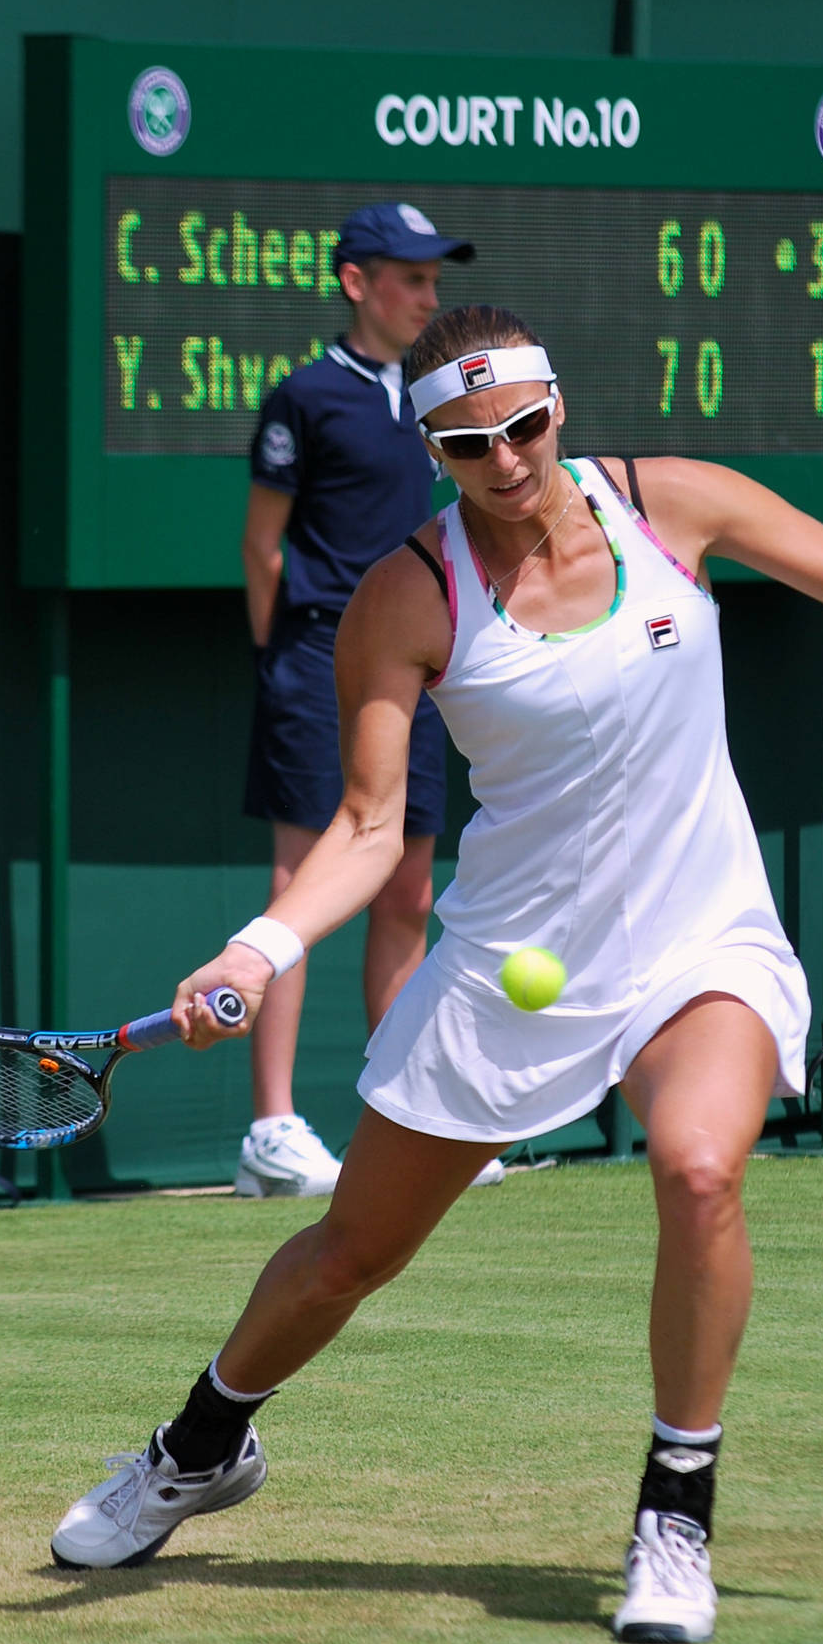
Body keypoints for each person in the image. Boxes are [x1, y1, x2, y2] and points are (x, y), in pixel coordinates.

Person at [51, 305, 823, 1641]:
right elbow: (370, 825)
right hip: (516, 958)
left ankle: (673, 1508)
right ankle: (200, 1446)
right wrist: (258, 948)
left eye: (522, 426)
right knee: (348, 1255)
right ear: (434, 453)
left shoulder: (669, 504)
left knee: (695, 1168)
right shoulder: (404, 597)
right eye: (467, 443)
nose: (505, 460)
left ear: (558, 406)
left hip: (700, 936)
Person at [237, 201, 498, 1198]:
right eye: (413, 279)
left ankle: (413, 1123)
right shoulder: (304, 396)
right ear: (358, 283)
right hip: (315, 663)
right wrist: (287, 662)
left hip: (421, 670)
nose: (431, 297)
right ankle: (271, 1133)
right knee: (302, 893)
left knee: (408, 891)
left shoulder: (442, 408)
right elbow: (264, 547)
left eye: (437, 281)